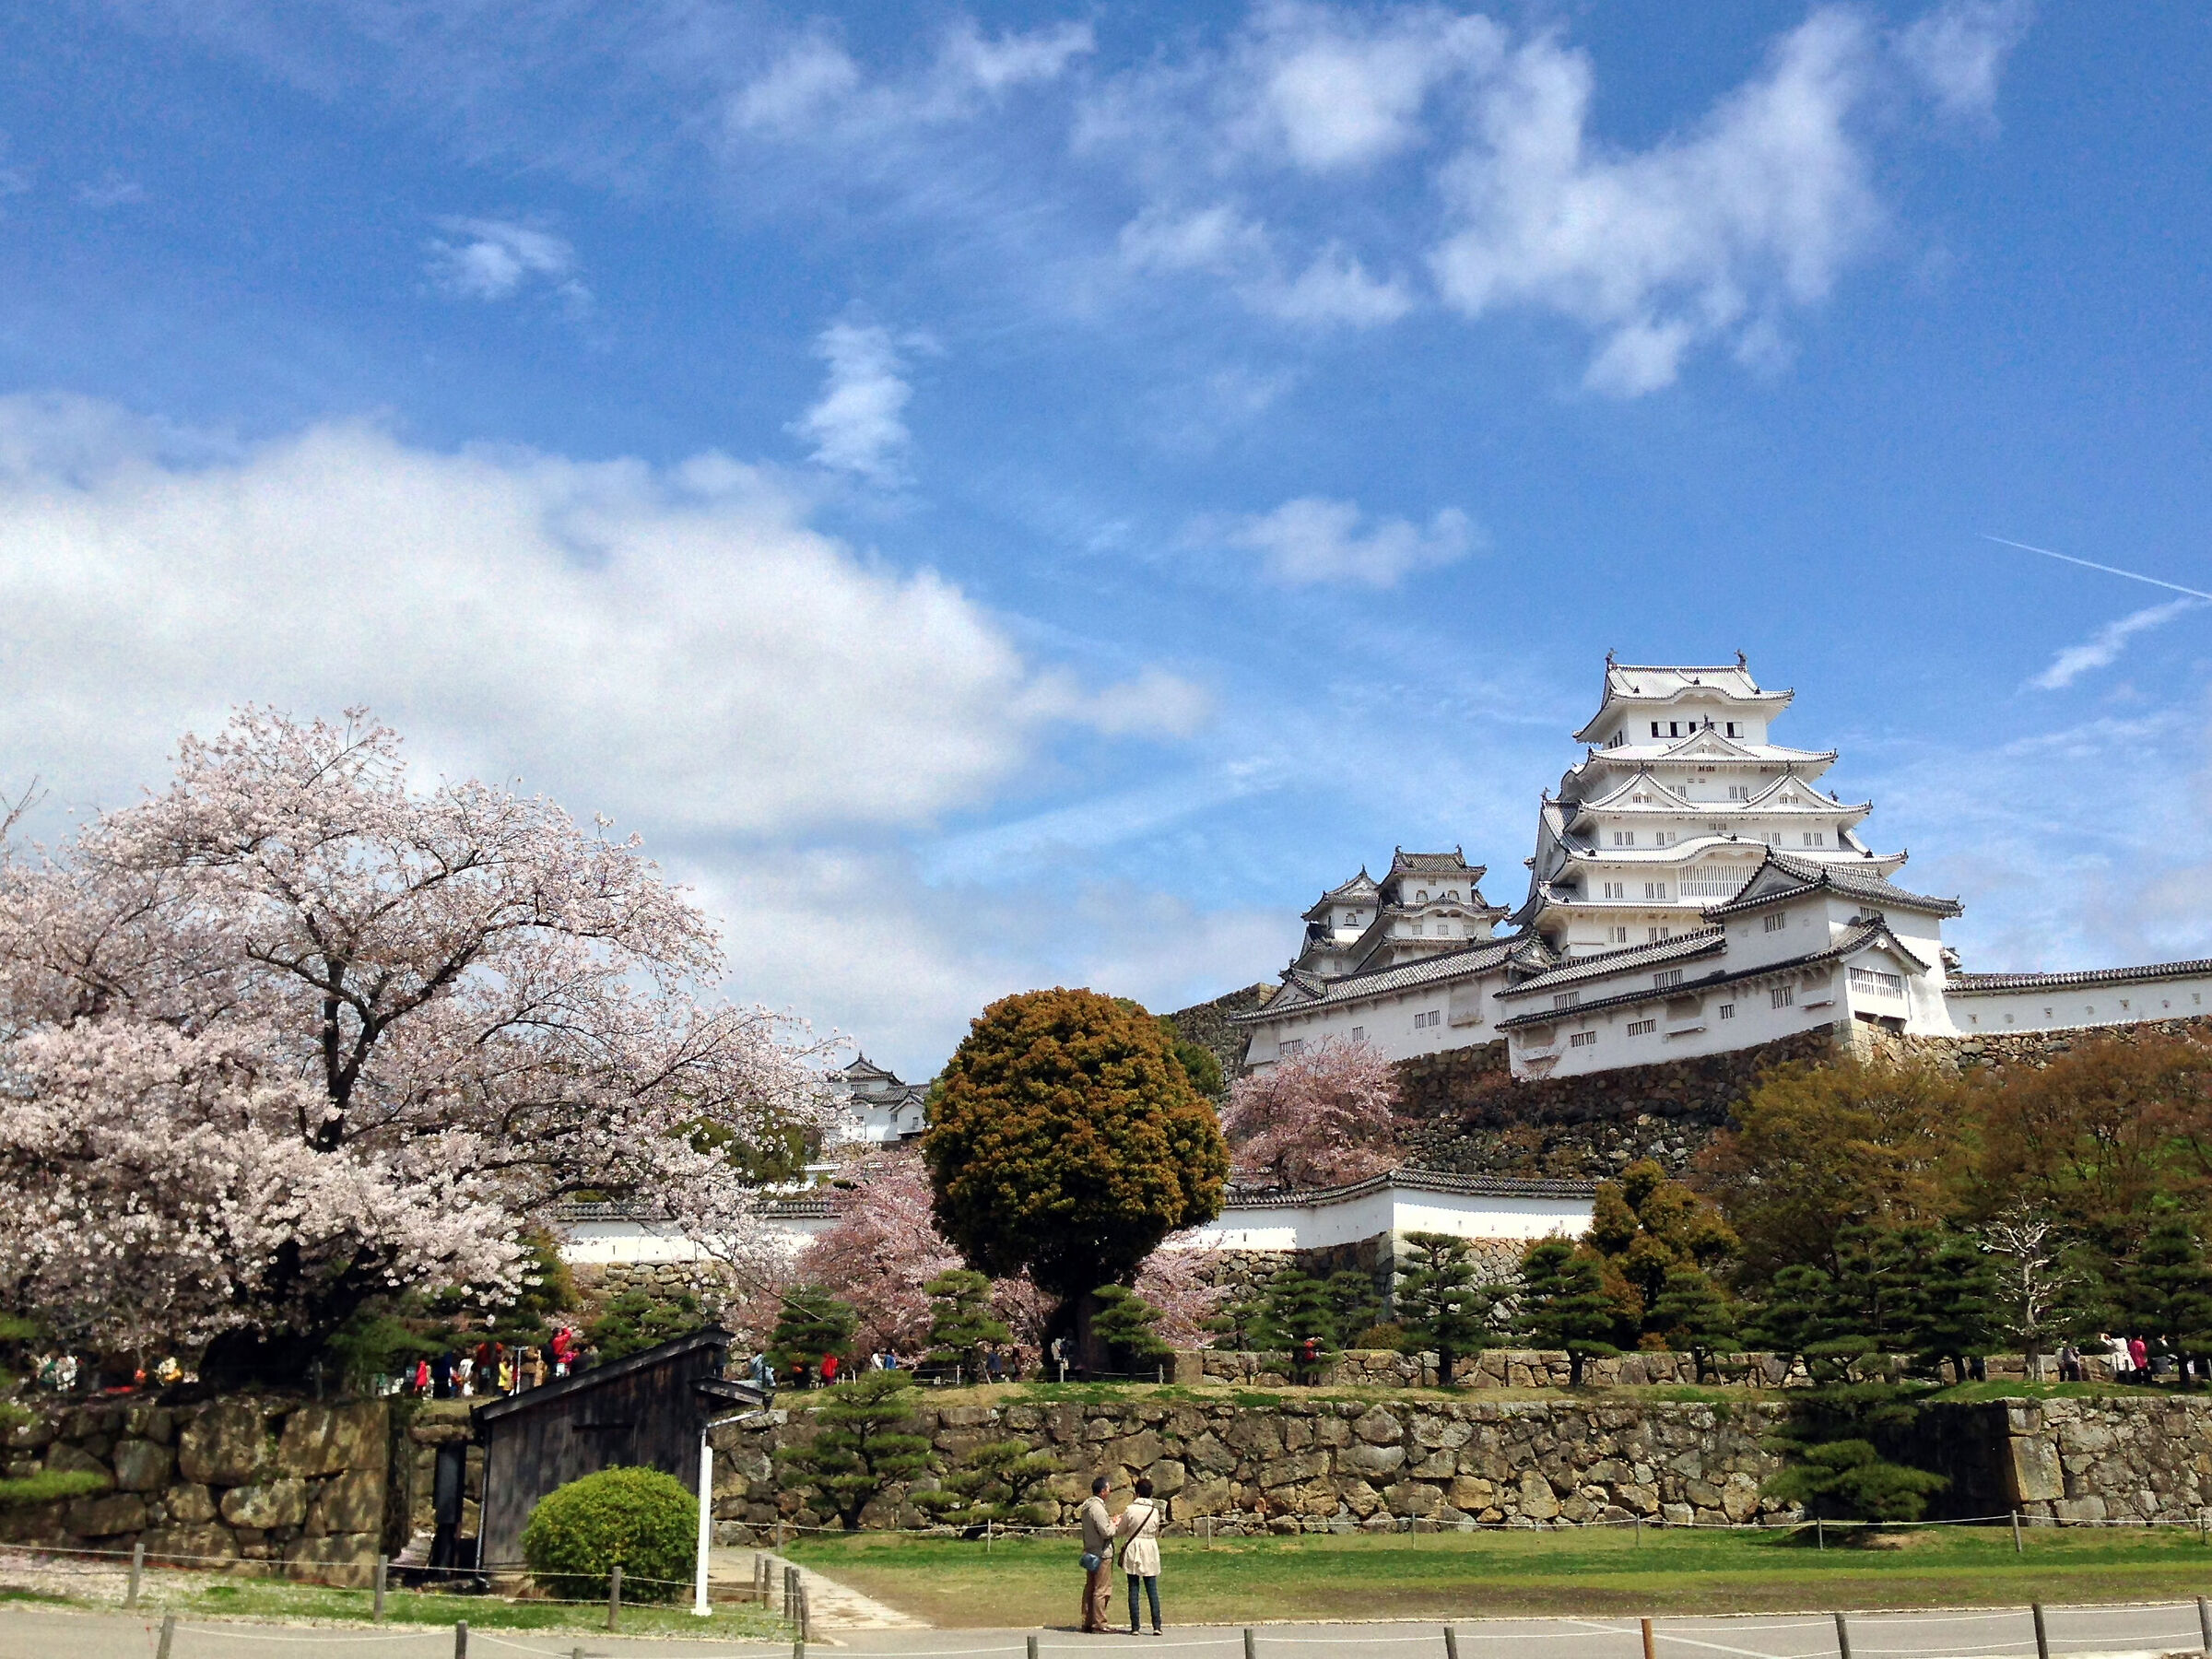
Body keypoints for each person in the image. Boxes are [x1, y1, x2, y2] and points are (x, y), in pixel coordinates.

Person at [1116, 1476, 1163, 1636]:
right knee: (1152, 1588)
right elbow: (1156, 1530)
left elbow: (1121, 1530)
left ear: (1136, 1493)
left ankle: (1135, 1626)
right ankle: (1157, 1625)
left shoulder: (1130, 1510)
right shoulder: (1154, 1511)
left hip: (1134, 1546)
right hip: (1150, 1546)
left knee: (1133, 1588)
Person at [1077, 1475, 1114, 1634]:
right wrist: (1115, 1524)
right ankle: (1099, 1622)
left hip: (1090, 1550)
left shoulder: (1087, 1506)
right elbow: (1106, 1531)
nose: (1110, 1491)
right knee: (1101, 1589)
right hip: (1101, 1553)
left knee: (1090, 1587)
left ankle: (1087, 1620)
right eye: (1108, 1488)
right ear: (1102, 1491)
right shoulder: (1097, 1508)